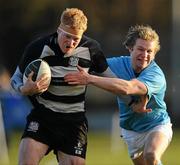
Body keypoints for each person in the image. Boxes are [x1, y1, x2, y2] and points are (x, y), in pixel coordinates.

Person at [11, 8, 142, 165]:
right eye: (67, 36)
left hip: (74, 122)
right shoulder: (38, 47)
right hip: (42, 117)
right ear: (59, 30)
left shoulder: (91, 49)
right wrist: (24, 89)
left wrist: (132, 103)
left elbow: (111, 81)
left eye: (76, 39)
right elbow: (15, 79)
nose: (71, 43)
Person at [64, 25, 173, 165]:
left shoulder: (156, 75)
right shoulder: (117, 64)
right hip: (130, 131)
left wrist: (89, 79)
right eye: (140, 49)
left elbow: (128, 88)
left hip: (156, 125)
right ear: (130, 48)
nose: (145, 55)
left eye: (149, 51)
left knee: (151, 155)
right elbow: (90, 64)